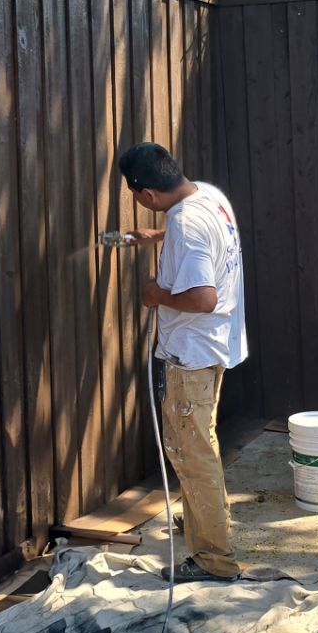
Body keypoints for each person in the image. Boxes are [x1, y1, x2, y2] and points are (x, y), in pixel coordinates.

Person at [116, 141, 248, 581]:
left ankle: (214, 560)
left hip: (191, 356)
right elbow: (200, 241)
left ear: (146, 196)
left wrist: (155, 295)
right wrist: (156, 236)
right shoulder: (207, 195)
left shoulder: (187, 224)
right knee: (200, 445)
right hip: (213, 348)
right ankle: (204, 522)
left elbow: (203, 298)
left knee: (193, 456)